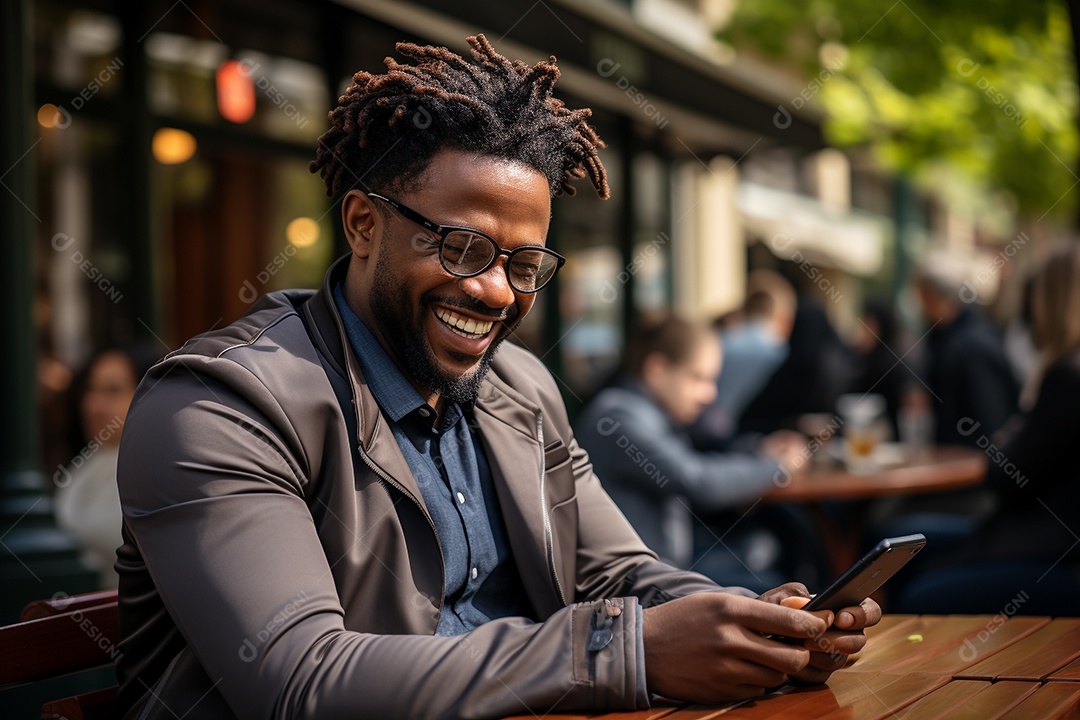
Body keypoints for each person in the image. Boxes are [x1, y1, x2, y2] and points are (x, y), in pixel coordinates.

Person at [114, 36, 879, 720]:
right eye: (462, 248)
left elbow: (615, 571)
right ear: (362, 224)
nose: (495, 292)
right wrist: (623, 654)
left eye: (523, 265)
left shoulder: (521, 387)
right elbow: (300, 680)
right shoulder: (219, 406)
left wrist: (757, 628)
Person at [896, 243, 1080, 614]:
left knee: (914, 589)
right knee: (895, 543)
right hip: (1044, 540)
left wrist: (1009, 440)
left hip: (1053, 552)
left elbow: (1009, 478)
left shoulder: (1067, 376)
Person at [574, 314, 806, 590]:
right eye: (698, 378)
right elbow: (696, 479)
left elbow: (701, 456)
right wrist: (776, 466)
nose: (709, 395)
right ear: (657, 370)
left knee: (774, 550)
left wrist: (757, 449)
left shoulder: (643, 411)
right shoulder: (617, 417)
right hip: (641, 585)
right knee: (777, 583)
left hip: (665, 566)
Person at [54, 345, 156, 589]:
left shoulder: (154, 466)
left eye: (113, 390)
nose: (94, 403)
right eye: (91, 389)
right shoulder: (89, 460)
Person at [914, 258, 1019, 446]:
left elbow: (990, 424)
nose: (921, 308)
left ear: (942, 297)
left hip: (968, 464)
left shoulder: (972, 346)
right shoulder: (945, 336)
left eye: (925, 299)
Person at [691, 270, 796, 450]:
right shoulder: (780, 352)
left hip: (701, 435)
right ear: (783, 317)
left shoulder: (718, 342)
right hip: (750, 443)